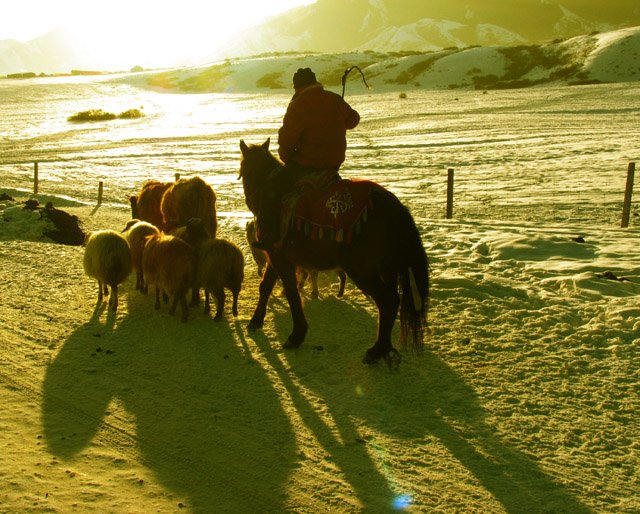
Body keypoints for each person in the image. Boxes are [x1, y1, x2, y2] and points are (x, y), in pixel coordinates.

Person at [252, 67, 360, 251]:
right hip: (333, 165)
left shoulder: (298, 105)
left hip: (307, 165)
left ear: (297, 87)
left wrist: (288, 158)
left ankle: (270, 237)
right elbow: (353, 120)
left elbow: (287, 140)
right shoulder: (333, 98)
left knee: (270, 188)